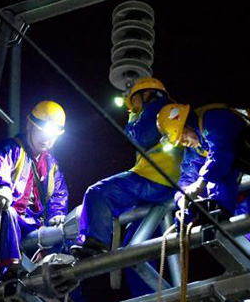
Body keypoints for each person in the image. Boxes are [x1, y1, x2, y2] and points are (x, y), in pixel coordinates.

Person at [158, 103, 250, 259]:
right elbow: (186, 178)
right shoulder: (195, 147)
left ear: (188, 123)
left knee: (222, 177)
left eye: (182, 135)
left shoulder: (214, 119)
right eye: (179, 141)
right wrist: (183, 203)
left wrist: (201, 184)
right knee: (241, 213)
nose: (183, 142)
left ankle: (218, 209)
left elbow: (221, 153)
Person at [70, 77, 183, 259]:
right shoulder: (171, 110)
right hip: (168, 183)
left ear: (146, 95)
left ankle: (95, 242)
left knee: (98, 193)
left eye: (134, 100)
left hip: (153, 179)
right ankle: (147, 287)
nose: (133, 105)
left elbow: (140, 137)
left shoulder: (156, 108)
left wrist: (132, 117)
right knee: (135, 251)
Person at [0, 100, 69, 274]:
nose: (47, 139)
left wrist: (57, 216)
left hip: (30, 223)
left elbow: (58, 196)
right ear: (29, 126)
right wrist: (3, 187)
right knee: (9, 213)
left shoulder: (51, 166)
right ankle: (12, 269)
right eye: (43, 133)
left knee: (63, 232)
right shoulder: (11, 149)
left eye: (52, 135)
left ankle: (55, 277)